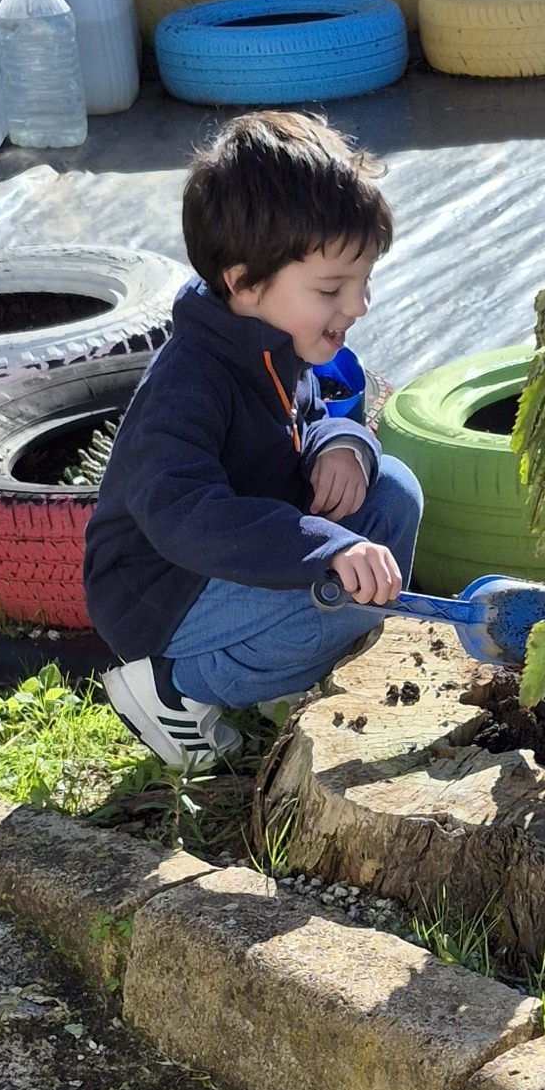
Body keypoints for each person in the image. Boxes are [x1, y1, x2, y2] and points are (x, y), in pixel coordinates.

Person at [84, 109, 422, 769]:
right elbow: (185, 515)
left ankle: (290, 664)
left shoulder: (276, 342)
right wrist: (327, 549)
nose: (357, 305)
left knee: (391, 493)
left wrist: (340, 444)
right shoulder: (189, 380)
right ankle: (172, 688)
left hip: (239, 555)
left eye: (362, 281)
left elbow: (308, 417)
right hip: (164, 591)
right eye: (332, 288)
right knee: (352, 603)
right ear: (243, 283)